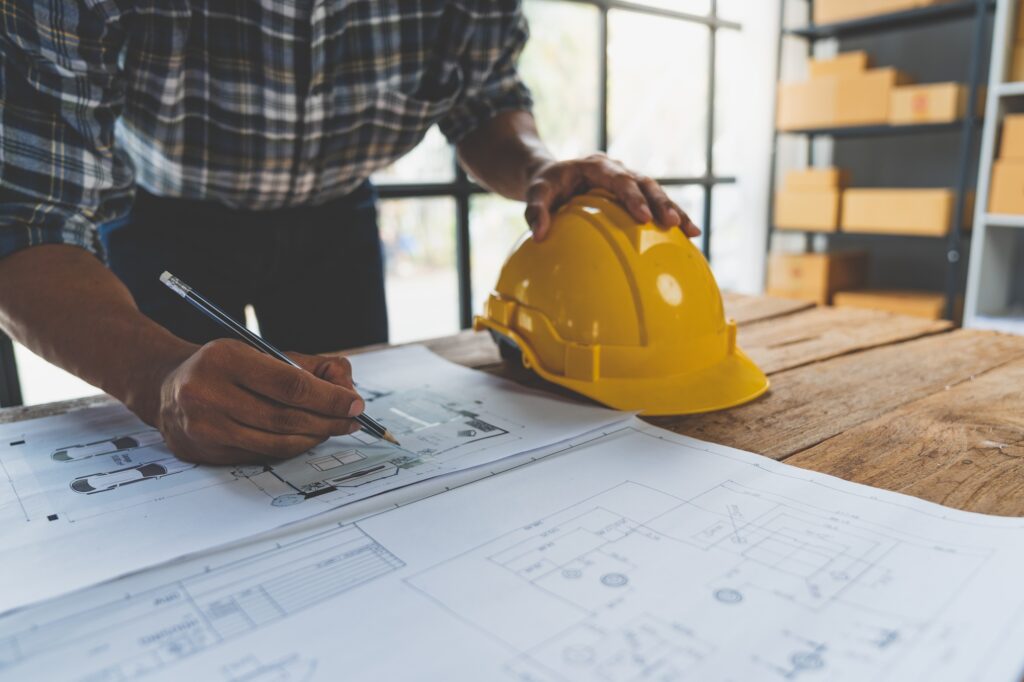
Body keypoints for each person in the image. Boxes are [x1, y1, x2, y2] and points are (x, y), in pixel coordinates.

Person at [0, 1, 699, 465]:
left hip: (338, 220)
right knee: (196, 435)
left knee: (336, 425)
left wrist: (539, 164)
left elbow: (484, 97)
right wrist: (154, 377)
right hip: (162, 219)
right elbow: (25, 221)